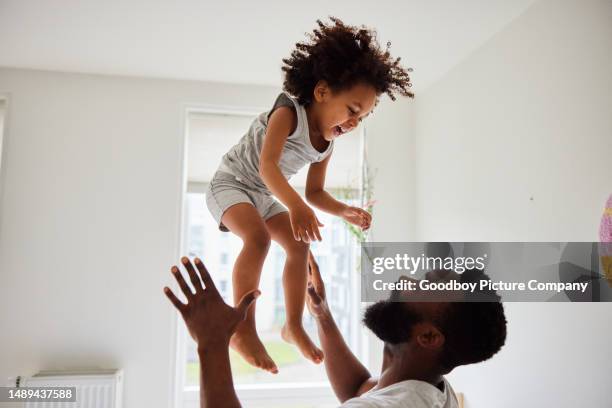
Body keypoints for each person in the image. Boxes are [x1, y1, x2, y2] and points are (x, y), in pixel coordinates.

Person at [204, 17, 414, 373]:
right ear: (321, 92)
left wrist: (345, 210)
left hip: (266, 194)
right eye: (351, 110)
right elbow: (268, 166)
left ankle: (294, 326)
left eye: (361, 118)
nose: (353, 123)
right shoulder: (287, 111)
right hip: (232, 183)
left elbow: (315, 193)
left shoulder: (325, 144)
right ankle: (242, 326)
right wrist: (296, 205)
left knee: (299, 246)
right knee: (257, 239)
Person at [164, 255, 507, 408]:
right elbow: (361, 390)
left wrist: (211, 344)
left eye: (421, 287)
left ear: (429, 337)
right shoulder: (434, 391)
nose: (404, 282)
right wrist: (322, 315)